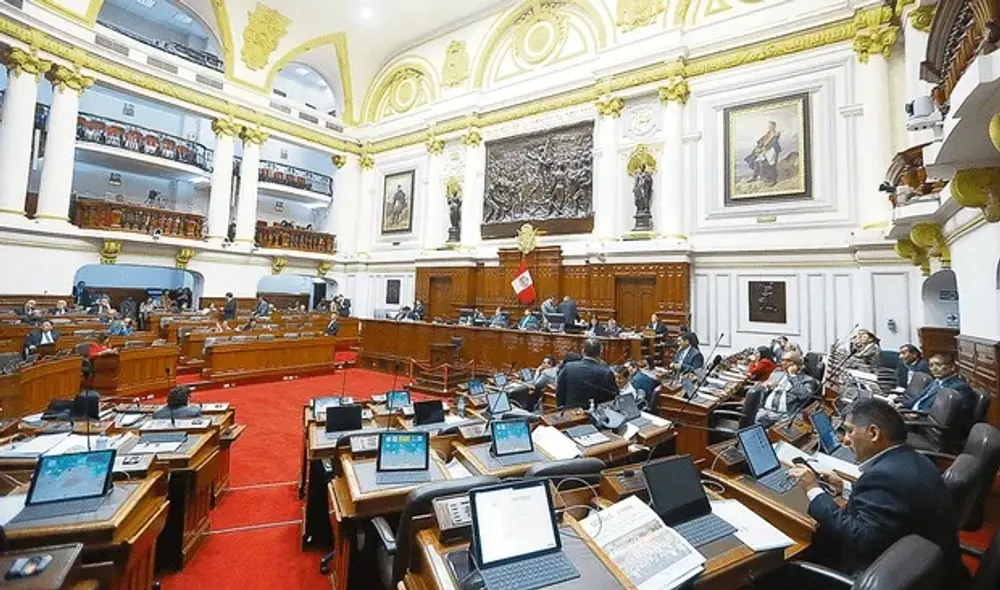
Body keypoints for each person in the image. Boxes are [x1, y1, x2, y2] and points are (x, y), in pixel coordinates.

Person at [788, 398, 965, 579]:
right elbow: (888, 505)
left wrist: (813, 489)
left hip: (890, 576)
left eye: (850, 431)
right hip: (920, 566)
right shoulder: (913, 458)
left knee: (791, 561)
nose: (845, 440)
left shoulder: (885, 476)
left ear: (873, 433)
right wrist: (846, 487)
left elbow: (860, 538)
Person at [754, 351, 818, 427]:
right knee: (750, 431)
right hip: (765, 411)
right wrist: (764, 387)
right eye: (782, 360)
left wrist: (793, 376)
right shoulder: (776, 375)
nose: (782, 363)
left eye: (787, 360)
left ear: (796, 364)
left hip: (786, 415)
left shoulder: (807, 380)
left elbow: (804, 396)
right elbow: (761, 391)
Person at [555, 338, 617, 409]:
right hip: (595, 416)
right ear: (601, 353)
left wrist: (562, 409)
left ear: (583, 351)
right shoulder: (606, 372)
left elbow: (559, 391)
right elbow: (613, 398)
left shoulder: (569, 367)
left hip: (571, 414)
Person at [903, 353, 976, 412]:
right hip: (914, 413)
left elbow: (949, 413)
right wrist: (902, 405)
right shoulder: (937, 381)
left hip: (926, 423)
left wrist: (919, 414)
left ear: (952, 367)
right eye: (931, 365)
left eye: (938, 365)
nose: (934, 369)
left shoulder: (959, 387)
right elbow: (920, 398)